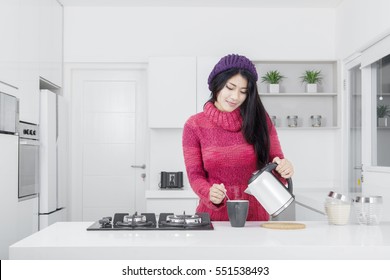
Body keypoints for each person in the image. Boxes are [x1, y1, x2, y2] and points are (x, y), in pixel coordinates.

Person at [182, 54, 294, 221]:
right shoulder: (194, 125)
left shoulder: (261, 120)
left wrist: (285, 168)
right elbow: (195, 175)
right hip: (213, 222)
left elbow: (275, 164)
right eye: (230, 87)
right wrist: (209, 192)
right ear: (217, 84)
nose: (235, 97)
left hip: (255, 222)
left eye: (243, 92)